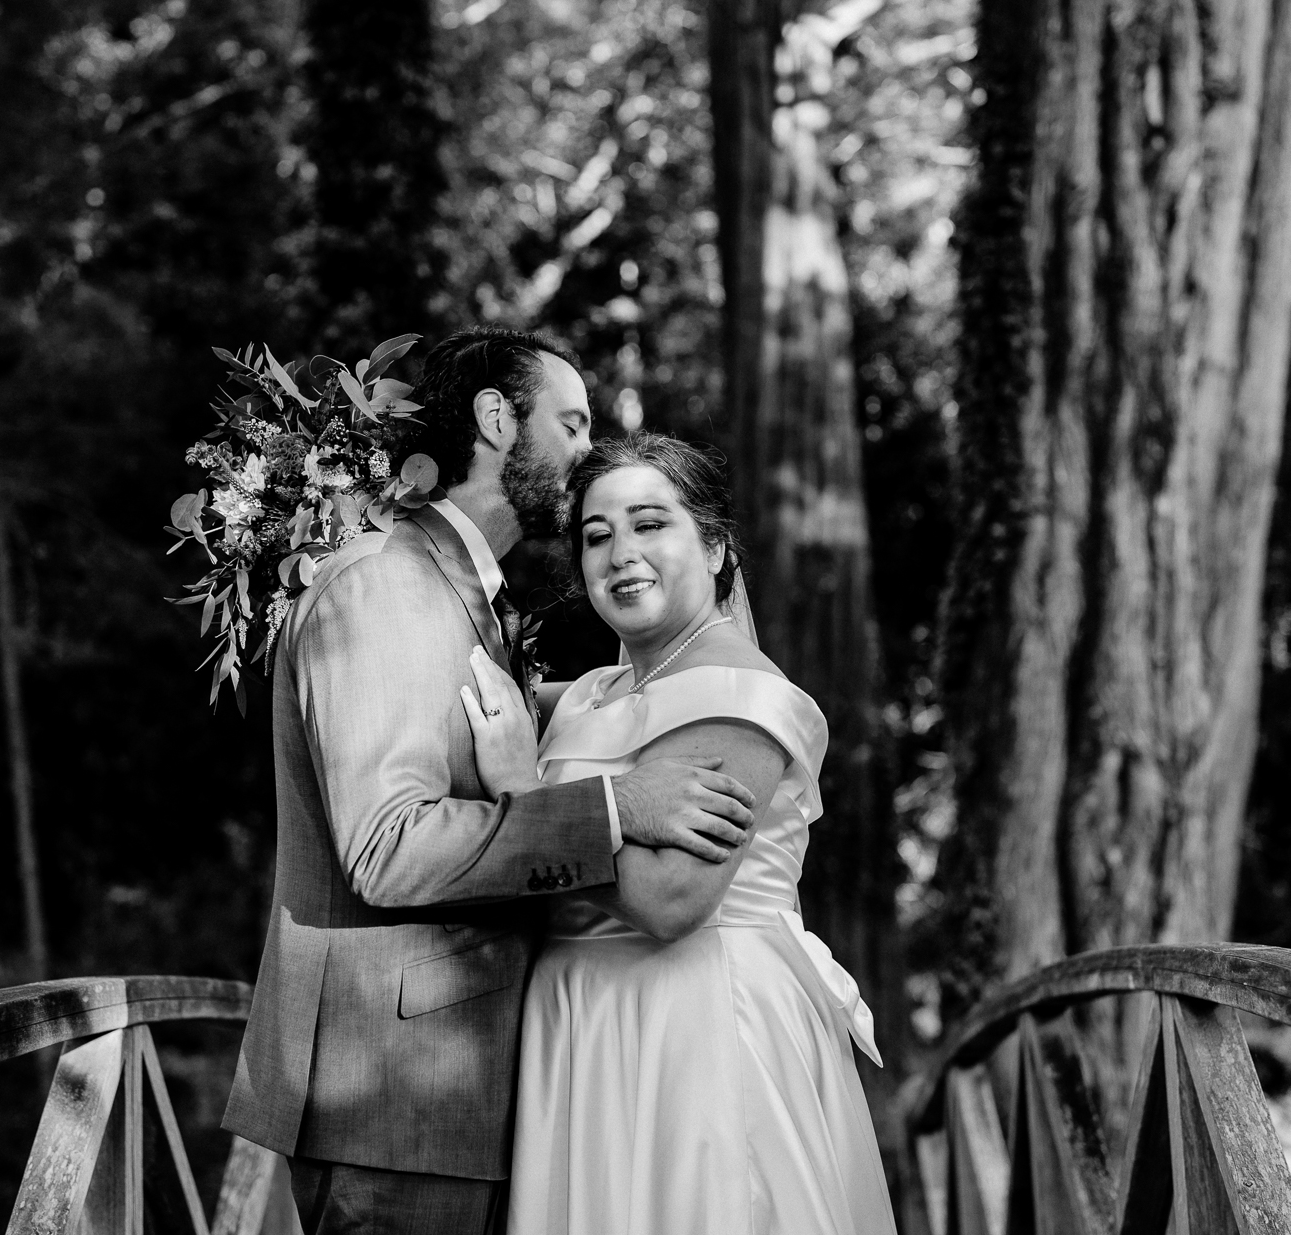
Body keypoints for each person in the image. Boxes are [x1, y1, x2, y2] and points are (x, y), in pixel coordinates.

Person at [222, 329, 761, 1235]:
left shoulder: (467, 594)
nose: (591, 456)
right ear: (496, 419)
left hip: (462, 1093)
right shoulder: (386, 584)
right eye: (575, 425)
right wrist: (615, 805)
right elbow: (387, 849)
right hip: (397, 1101)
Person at [462, 432, 899, 1235]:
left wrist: (525, 789)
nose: (621, 554)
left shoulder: (742, 695)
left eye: (650, 523)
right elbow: (457, 686)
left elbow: (670, 900)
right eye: (598, 536)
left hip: (694, 1025)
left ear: (715, 546)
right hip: (582, 1021)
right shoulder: (596, 691)